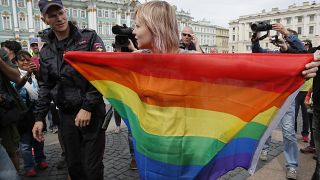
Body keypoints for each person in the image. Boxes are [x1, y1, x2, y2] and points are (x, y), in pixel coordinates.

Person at [32, 0, 106, 179]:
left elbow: (101, 74)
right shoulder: (46, 50)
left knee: (92, 169)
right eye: (52, 15)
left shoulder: (88, 38)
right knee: (74, 167)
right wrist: (40, 117)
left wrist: (87, 107)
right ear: (44, 19)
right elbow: (45, 85)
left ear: (65, 12)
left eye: (61, 13)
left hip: (92, 113)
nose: (59, 18)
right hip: (66, 117)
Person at [251, 23, 306, 180]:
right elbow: (257, 53)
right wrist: (255, 40)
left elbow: (302, 51)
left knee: (288, 133)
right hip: (271, 99)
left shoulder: (296, 56)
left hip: (287, 101)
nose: (284, 41)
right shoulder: (274, 53)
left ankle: (292, 165)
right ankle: (265, 149)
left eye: (287, 39)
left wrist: (286, 34)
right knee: (266, 128)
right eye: (284, 39)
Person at [13, 50, 48, 177]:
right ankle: (29, 166)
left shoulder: (36, 74)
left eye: (28, 60)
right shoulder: (14, 74)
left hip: (36, 111)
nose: (25, 62)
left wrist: (36, 74)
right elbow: (15, 88)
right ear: (16, 62)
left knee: (38, 138)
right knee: (26, 142)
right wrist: (28, 74)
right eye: (22, 60)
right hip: (22, 114)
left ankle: (41, 160)